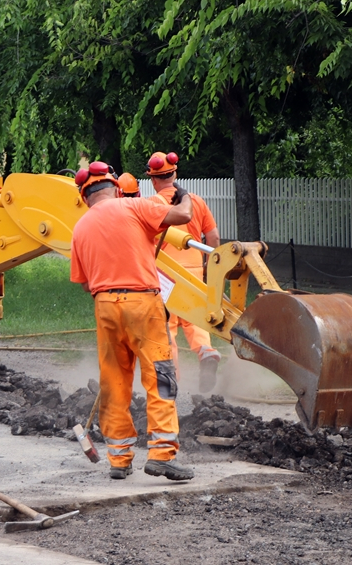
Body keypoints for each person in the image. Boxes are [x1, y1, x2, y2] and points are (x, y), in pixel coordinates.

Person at [70, 160, 195, 481]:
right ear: (114, 188)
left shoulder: (80, 228)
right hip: (143, 302)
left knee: (114, 382)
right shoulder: (134, 206)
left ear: (85, 197)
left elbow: (85, 283)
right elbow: (183, 217)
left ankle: (119, 459)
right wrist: (184, 195)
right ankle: (162, 454)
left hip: (105, 307)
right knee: (161, 376)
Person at [146, 151, 222, 392]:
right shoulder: (196, 201)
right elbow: (213, 237)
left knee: (166, 325)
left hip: (166, 273)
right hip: (195, 268)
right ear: (175, 174)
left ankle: (171, 378)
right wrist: (210, 266)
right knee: (195, 318)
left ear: (153, 180)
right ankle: (207, 351)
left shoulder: (152, 205)